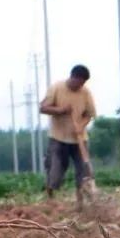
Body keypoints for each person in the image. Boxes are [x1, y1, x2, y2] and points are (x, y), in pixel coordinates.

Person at [39, 64, 96, 202]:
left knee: (83, 171)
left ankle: (81, 201)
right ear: (73, 77)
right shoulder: (57, 88)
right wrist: (60, 110)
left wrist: (81, 126)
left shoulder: (86, 93)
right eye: (79, 82)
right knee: (55, 171)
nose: (80, 86)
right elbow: (43, 108)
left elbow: (89, 114)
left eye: (83, 83)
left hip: (79, 139)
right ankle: (50, 198)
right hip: (58, 138)